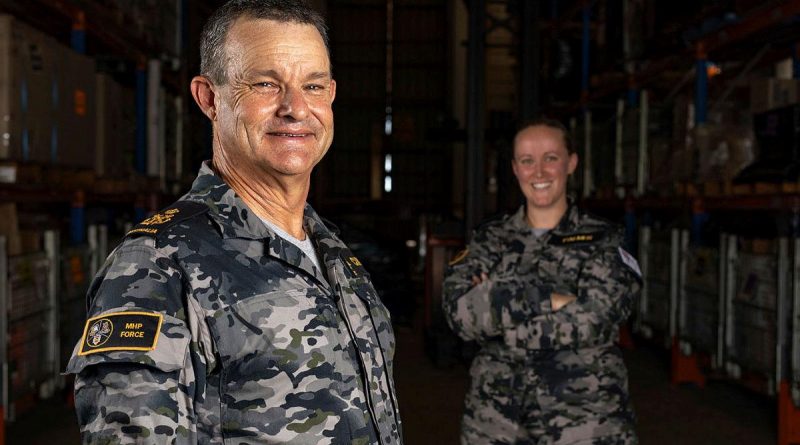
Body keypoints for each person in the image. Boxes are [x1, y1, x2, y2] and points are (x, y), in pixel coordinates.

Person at [65, 1, 402, 443]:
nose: (296, 108)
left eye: (314, 86)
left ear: (332, 95)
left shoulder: (331, 251)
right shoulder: (157, 264)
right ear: (209, 97)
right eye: (265, 83)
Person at [442, 119, 641, 444]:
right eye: (527, 160)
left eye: (551, 158)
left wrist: (497, 300)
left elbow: (596, 317)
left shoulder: (604, 239)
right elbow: (461, 316)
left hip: (585, 424)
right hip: (496, 424)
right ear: (515, 169)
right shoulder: (488, 239)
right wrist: (550, 298)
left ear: (571, 163)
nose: (539, 172)